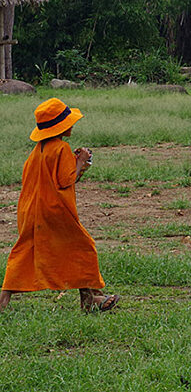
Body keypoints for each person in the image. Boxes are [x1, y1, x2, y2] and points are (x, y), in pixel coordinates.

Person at [0, 98, 118, 313]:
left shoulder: (36, 152)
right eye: (69, 123)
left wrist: (78, 165)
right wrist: (81, 160)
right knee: (82, 247)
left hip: (30, 211)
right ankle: (90, 299)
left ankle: (3, 298)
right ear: (61, 127)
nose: (72, 126)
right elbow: (66, 181)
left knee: (25, 251)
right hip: (55, 212)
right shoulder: (62, 148)